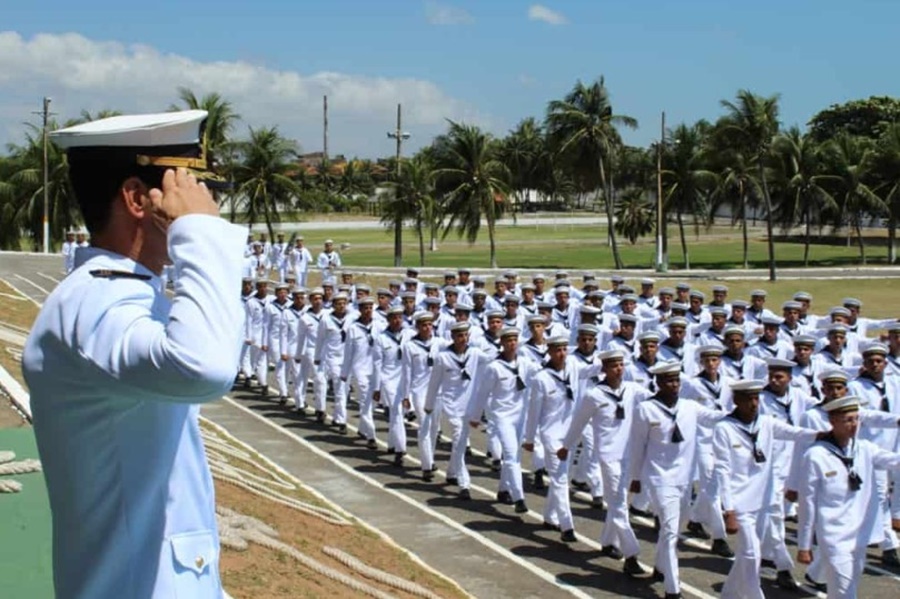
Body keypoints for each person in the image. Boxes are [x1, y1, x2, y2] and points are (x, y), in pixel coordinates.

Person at [22, 110, 244, 598]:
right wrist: (200, 234)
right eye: (192, 188)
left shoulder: (124, 293)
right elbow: (204, 368)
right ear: (139, 198)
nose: (209, 204)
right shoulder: (96, 302)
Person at [713, 380, 821, 598]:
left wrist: (824, 435)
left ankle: (729, 594)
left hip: (762, 502)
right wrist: (729, 510)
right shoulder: (724, 428)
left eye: (756, 398)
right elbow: (722, 471)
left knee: (747, 554)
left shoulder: (766, 422)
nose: (754, 404)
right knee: (752, 554)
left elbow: (795, 432)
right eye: (748, 399)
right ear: (736, 400)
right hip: (739, 503)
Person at [628, 361, 725, 599]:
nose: (674, 385)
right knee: (671, 532)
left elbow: (714, 417)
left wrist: (739, 414)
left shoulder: (690, 407)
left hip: (684, 480)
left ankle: (660, 568)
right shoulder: (645, 409)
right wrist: (635, 477)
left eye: (676, 381)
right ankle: (673, 589)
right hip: (659, 479)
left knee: (673, 529)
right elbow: (637, 446)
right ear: (658, 383)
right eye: (669, 381)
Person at [797, 396, 900, 599]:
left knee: (846, 589)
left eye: (856, 419)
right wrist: (804, 545)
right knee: (845, 592)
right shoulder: (816, 455)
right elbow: (807, 503)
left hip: (860, 534)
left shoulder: (864, 448)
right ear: (833, 421)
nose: (854, 425)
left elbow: (894, 461)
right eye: (847, 420)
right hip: (834, 535)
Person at [559, 349, 650, 575]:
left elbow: (654, 399)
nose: (618, 369)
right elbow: (579, 422)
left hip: (628, 454)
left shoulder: (632, 390)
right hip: (608, 456)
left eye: (621, 365)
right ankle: (631, 554)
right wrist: (566, 446)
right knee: (619, 505)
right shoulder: (594, 394)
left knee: (618, 500)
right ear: (604, 369)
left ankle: (609, 541)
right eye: (613, 365)